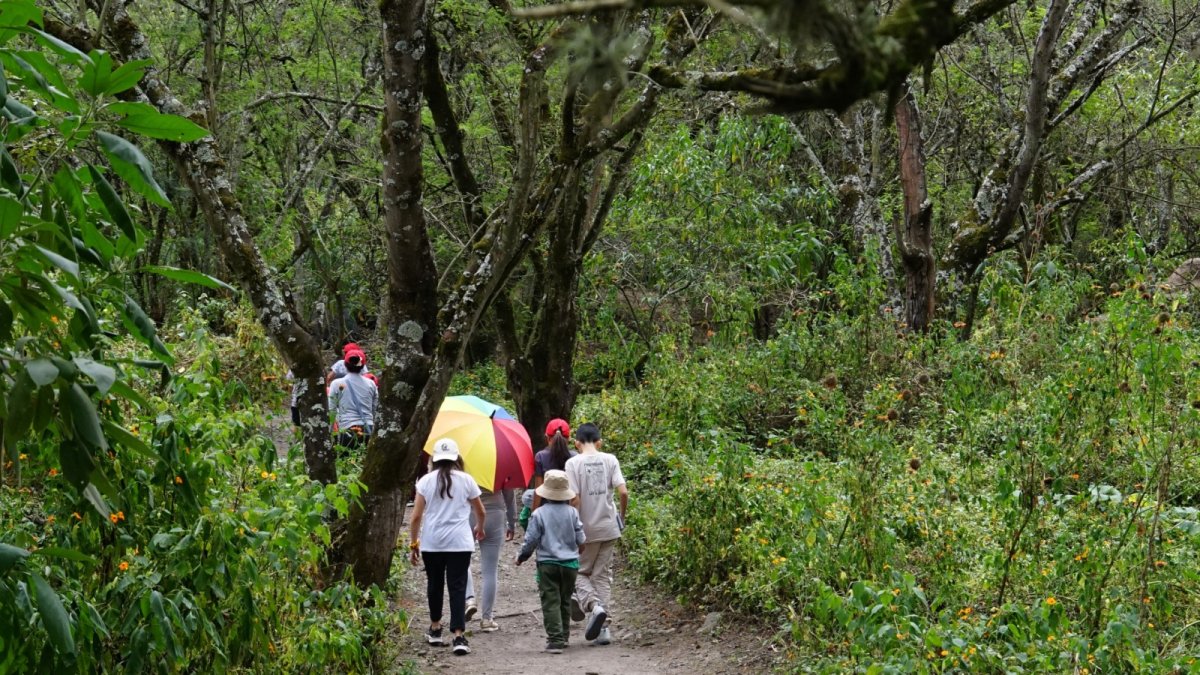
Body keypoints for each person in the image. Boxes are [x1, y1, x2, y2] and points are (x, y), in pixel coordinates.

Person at [409, 439, 485, 656]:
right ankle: (459, 636)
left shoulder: (425, 481)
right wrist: (480, 528)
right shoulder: (467, 480)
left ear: (434, 458)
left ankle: (435, 629)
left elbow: (415, 517)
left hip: (432, 543)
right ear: (456, 458)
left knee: (434, 585)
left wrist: (414, 544)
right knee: (458, 587)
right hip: (459, 543)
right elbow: (480, 511)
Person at [564, 423, 627, 646]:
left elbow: (575, 498)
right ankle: (604, 628)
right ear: (599, 442)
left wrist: (574, 525)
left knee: (579, 572)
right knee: (602, 575)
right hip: (610, 527)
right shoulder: (611, 460)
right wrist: (622, 516)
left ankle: (593, 606)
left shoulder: (572, 463)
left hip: (585, 529)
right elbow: (623, 491)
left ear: (577, 443)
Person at [515, 469, 585, 654]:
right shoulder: (572, 513)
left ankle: (555, 640)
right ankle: (565, 636)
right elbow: (581, 538)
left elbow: (531, 540)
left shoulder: (539, 514)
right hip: (570, 564)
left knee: (550, 601)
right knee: (565, 600)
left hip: (547, 564)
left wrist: (522, 556)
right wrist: (579, 549)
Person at [464, 487, 517, 632]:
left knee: (463, 562)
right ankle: (487, 619)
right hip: (494, 515)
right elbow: (509, 495)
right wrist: (512, 522)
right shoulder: (501, 464)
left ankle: (469, 598)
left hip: (469, 514)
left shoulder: (465, 465)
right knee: (490, 571)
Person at [326, 349, 377, 450]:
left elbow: (331, 410)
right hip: (368, 429)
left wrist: (330, 432)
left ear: (345, 364)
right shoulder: (371, 384)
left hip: (347, 430)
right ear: (363, 365)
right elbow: (374, 408)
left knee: (346, 462)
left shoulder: (336, 384)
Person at [531, 419, 577, 511]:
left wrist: (534, 512)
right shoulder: (575, 457)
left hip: (545, 510)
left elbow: (538, 490)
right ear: (568, 438)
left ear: (547, 437)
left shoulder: (540, 457)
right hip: (568, 510)